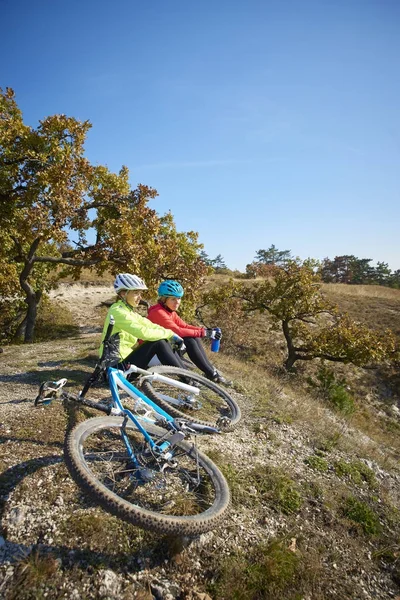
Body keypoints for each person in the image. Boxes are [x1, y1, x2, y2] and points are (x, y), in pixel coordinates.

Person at [147, 280, 231, 385]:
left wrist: (205, 331)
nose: (177, 302)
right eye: (173, 299)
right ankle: (210, 374)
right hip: (153, 355)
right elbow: (178, 331)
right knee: (189, 339)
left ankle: (211, 372)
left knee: (193, 337)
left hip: (165, 349)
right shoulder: (158, 313)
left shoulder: (169, 311)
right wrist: (205, 333)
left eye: (179, 298)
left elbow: (185, 326)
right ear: (164, 299)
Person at [100, 274, 186, 370]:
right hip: (115, 368)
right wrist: (169, 334)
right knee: (158, 343)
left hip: (124, 362)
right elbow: (143, 333)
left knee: (162, 340)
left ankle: (188, 376)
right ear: (124, 294)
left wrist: (172, 335)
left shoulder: (128, 310)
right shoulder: (118, 311)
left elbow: (149, 325)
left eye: (140, 293)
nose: (140, 297)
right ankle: (189, 380)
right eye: (136, 293)